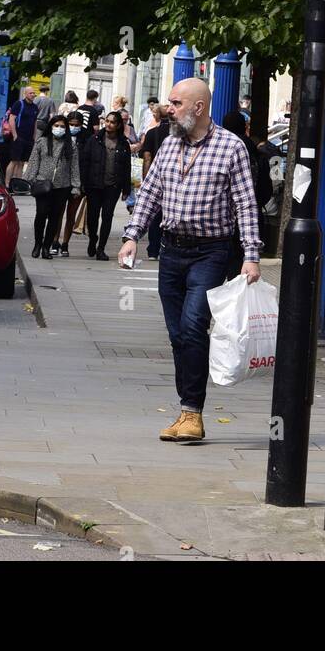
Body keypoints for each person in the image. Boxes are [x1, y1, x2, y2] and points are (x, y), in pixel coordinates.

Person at [118, 78, 261, 444]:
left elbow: (245, 203)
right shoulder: (168, 144)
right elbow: (150, 192)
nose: (170, 108)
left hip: (212, 251)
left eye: (177, 102)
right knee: (178, 333)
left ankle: (192, 412)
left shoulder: (231, 148)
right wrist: (132, 236)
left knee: (194, 324)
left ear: (198, 107)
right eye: (170, 102)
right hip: (171, 250)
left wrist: (251, 256)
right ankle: (186, 410)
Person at [222, 110, 273, 278]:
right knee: (239, 267)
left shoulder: (222, 150)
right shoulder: (257, 153)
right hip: (252, 215)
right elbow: (267, 189)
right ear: (244, 127)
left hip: (224, 218)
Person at [24, 114, 81, 260]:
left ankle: (46, 248)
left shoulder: (71, 145)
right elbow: (33, 162)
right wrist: (29, 180)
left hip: (62, 187)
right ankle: (37, 244)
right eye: (56, 126)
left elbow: (74, 168)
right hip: (43, 184)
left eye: (62, 126)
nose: (59, 129)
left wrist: (76, 186)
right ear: (51, 127)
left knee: (54, 218)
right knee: (41, 215)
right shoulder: (42, 142)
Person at [80, 109, 132, 259]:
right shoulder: (94, 139)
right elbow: (85, 161)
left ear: (118, 125)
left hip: (113, 186)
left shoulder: (123, 143)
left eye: (112, 122)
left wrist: (126, 188)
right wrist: (83, 183)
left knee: (107, 216)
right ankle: (92, 240)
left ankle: (101, 248)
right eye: (107, 121)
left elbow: (126, 166)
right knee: (92, 216)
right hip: (94, 185)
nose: (108, 124)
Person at [139, 103, 171, 259]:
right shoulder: (178, 134)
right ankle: (167, 246)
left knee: (155, 214)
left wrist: (145, 179)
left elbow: (147, 158)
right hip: (173, 179)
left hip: (156, 177)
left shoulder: (152, 133)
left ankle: (153, 249)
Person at [57, 110, 88, 256]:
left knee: (71, 215)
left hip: (78, 183)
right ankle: (55, 241)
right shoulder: (61, 136)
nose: (73, 127)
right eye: (71, 124)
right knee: (58, 213)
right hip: (62, 181)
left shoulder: (87, 139)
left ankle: (65, 244)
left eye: (77, 125)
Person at [4, 86, 39, 187]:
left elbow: (35, 122)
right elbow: (11, 119)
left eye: (33, 93)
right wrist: (15, 135)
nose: (33, 95)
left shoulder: (35, 107)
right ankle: (7, 183)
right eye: (30, 93)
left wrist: (34, 136)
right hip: (18, 137)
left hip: (29, 138)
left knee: (22, 162)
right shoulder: (19, 104)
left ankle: (17, 184)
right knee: (14, 161)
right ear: (25, 94)